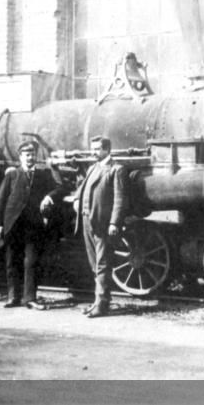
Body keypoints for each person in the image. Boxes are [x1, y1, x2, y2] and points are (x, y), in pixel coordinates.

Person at [0, 140, 65, 310]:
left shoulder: (43, 175)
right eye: (26, 155)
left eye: (32, 154)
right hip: (13, 225)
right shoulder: (12, 175)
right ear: (20, 157)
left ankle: (30, 298)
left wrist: (49, 196)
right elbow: (1, 200)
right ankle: (13, 296)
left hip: (33, 226)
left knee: (31, 262)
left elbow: (61, 188)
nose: (30, 157)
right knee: (12, 262)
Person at [75, 135, 128, 318]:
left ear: (107, 149)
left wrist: (114, 222)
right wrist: (77, 199)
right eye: (93, 148)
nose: (93, 152)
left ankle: (102, 305)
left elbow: (119, 199)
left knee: (102, 264)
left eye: (97, 149)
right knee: (93, 264)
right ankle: (99, 301)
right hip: (86, 220)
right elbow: (82, 188)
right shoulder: (93, 168)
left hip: (103, 224)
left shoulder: (116, 169)